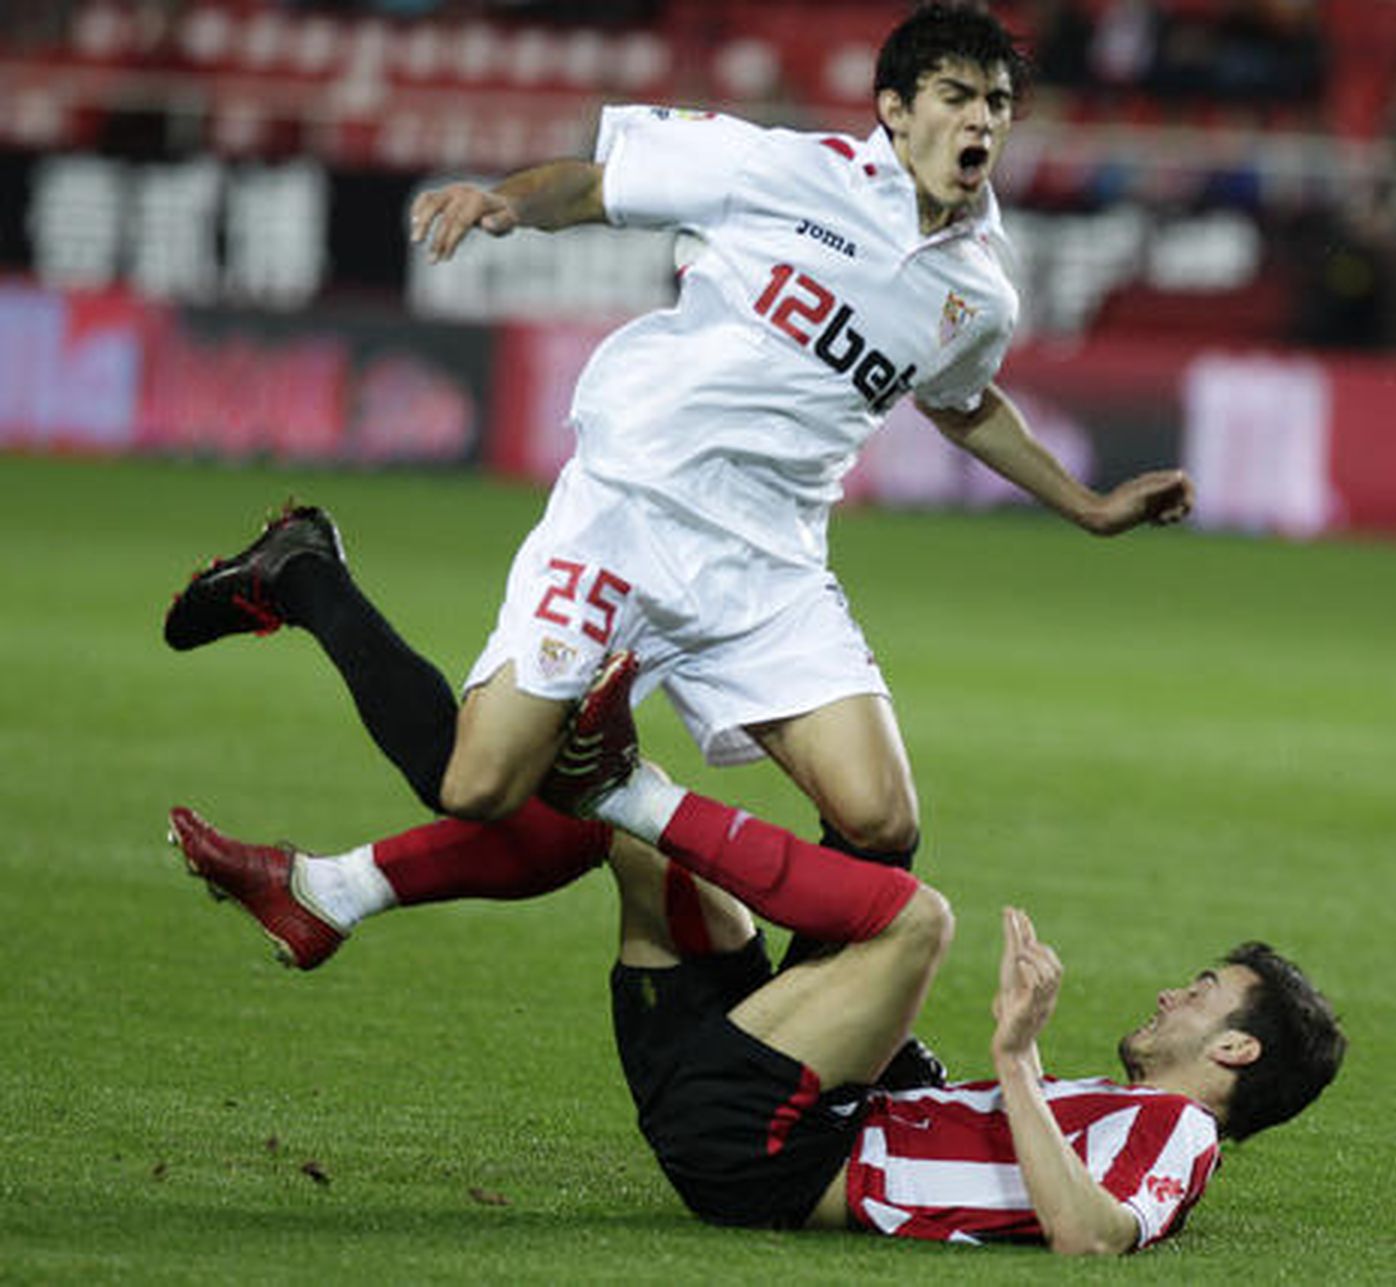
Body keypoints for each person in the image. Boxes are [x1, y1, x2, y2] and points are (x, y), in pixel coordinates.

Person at [163, 4, 1192, 1081]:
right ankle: (305, 573)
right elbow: (597, 186)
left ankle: (809, 1035)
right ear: (894, 109)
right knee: (476, 788)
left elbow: (963, 402)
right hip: (629, 512)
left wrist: (1086, 505)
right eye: (955, 95)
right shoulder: (775, 169)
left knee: (879, 820)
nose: (980, 119)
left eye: (997, 103)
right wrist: (504, 202)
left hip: (768, 568)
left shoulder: (980, 287)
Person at [166, 650, 1345, 1254]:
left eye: (1203, 993)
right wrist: (935, 1063)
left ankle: (608, 784)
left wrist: (1017, 1051)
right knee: (619, 838)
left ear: (1235, 1049)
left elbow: (1092, 1237)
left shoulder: (1180, 1133)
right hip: (761, 1111)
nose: (1171, 993)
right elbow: (971, 1148)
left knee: (917, 917)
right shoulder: (1128, 1108)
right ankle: (333, 883)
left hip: (766, 1151)